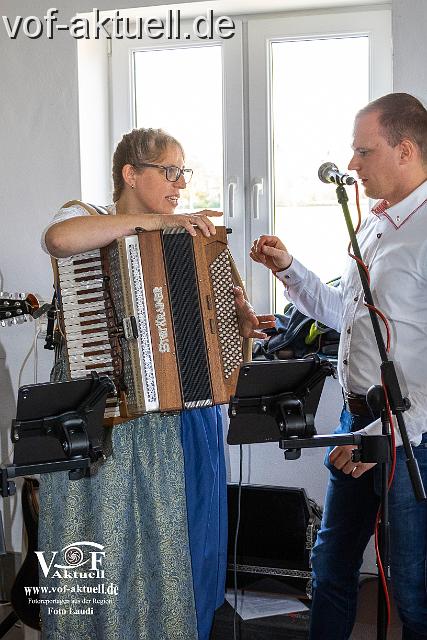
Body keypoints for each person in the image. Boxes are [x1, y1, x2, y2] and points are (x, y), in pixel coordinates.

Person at [40, 127, 275, 640]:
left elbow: (207, 346)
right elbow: (58, 240)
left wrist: (239, 327)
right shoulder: (86, 218)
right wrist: (154, 221)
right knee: (101, 542)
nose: (179, 185)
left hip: (166, 424)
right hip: (102, 416)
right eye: (170, 171)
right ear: (131, 173)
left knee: (166, 545)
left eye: (182, 173)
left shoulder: (182, 242)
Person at [250, 93, 427, 640]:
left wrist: (380, 434)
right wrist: (290, 269)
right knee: (330, 570)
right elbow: (345, 315)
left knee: (414, 591)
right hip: (357, 428)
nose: (351, 165)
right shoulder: (375, 225)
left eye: (362, 152)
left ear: (404, 150)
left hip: (409, 436)